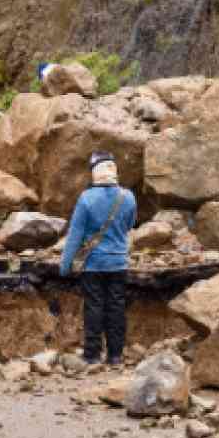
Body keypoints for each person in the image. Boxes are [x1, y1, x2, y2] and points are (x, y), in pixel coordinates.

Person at [60, 152, 137, 366]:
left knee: (94, 307)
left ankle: (92, 355)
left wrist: (65, 266)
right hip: (119, 263)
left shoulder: (86, 198)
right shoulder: (127, 196)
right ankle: (115, 355)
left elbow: (75, 236)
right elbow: (130, 224)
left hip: (93, 264)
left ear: (95, 173)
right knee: (116, 307)